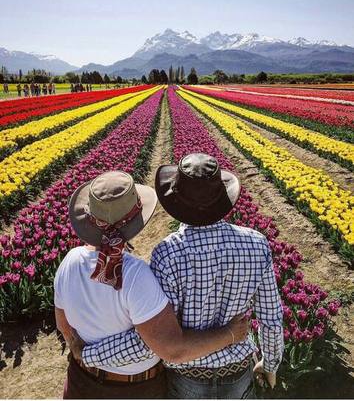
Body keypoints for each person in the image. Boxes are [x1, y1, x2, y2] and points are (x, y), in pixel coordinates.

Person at [71, 153, 284, 399]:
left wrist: (90, 354)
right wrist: (270, 364)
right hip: (237, 374)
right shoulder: (256, 244)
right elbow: (271, 319)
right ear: (223, 198)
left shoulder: (168, 253)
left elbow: (153, 341)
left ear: (176, 202)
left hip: (187, 380)